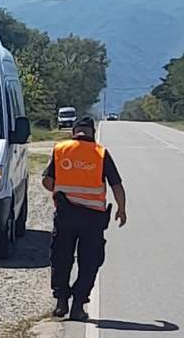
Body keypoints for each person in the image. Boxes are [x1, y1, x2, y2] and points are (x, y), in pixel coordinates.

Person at [42, 116, 127, 320]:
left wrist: (61, 192)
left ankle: (61, 303)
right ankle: (78, 306)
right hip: (93, 218)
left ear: (74, 131)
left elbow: (46, 181)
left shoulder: (60, 150)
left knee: (61, 258)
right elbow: (116, 185)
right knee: (90, 262)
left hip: (65, 215)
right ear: (92, 132)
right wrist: (121, 209)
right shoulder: (101, 153)